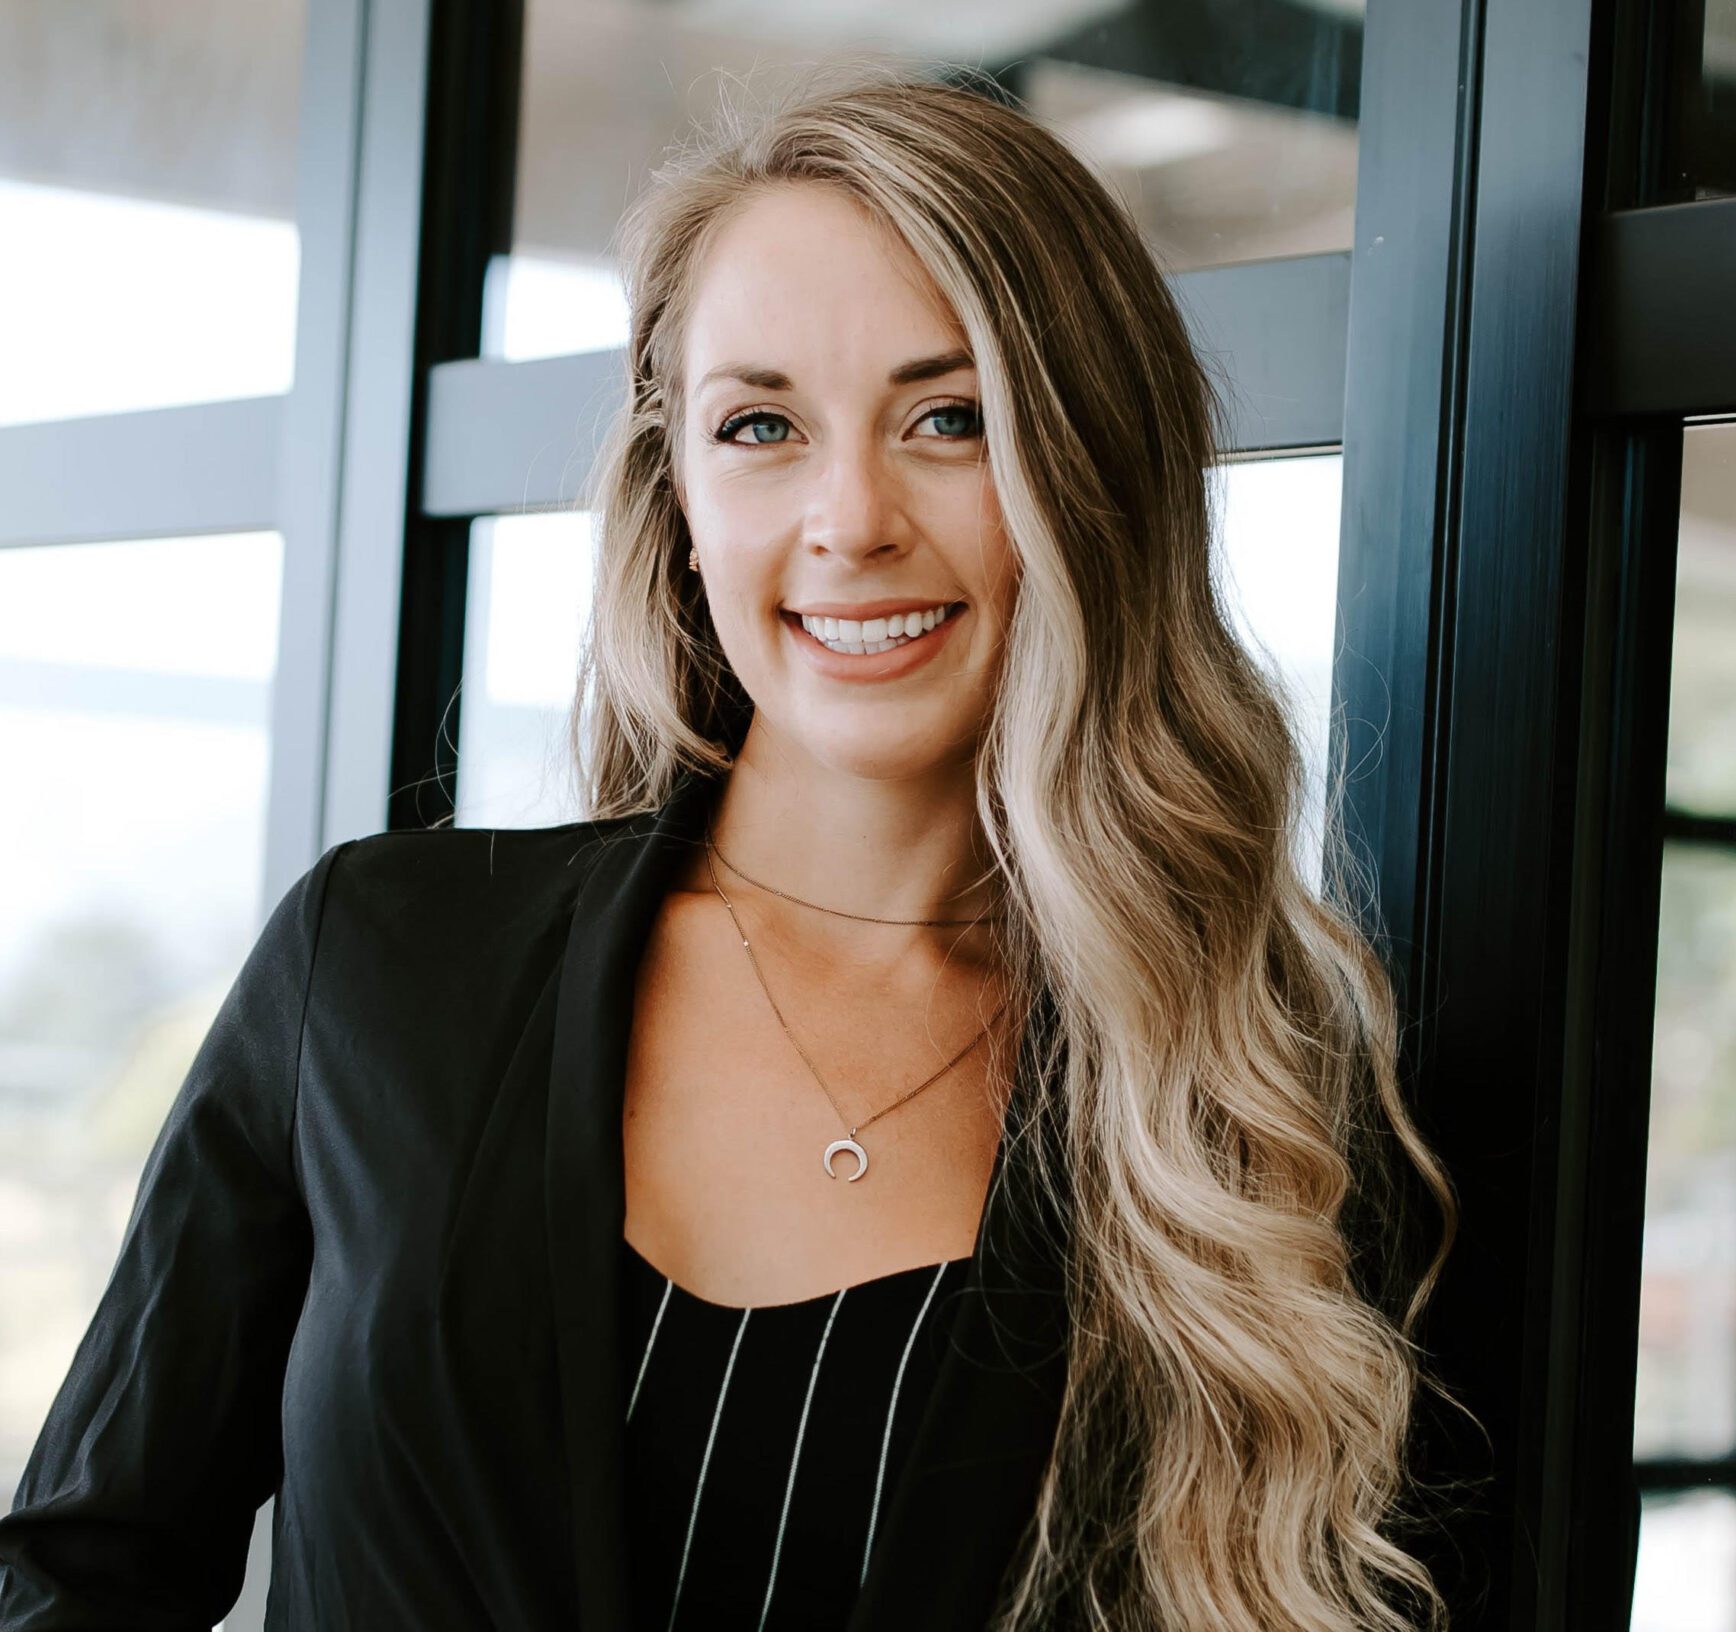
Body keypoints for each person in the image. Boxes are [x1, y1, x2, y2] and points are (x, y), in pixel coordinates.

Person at [0, 67, 1453, 1632]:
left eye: (950, 419)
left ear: (1090, 479)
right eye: (760, 426)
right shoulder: (383, 958)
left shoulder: (1235, 1110)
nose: (850, 516)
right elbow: (81, 1577)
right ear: (680, 495)